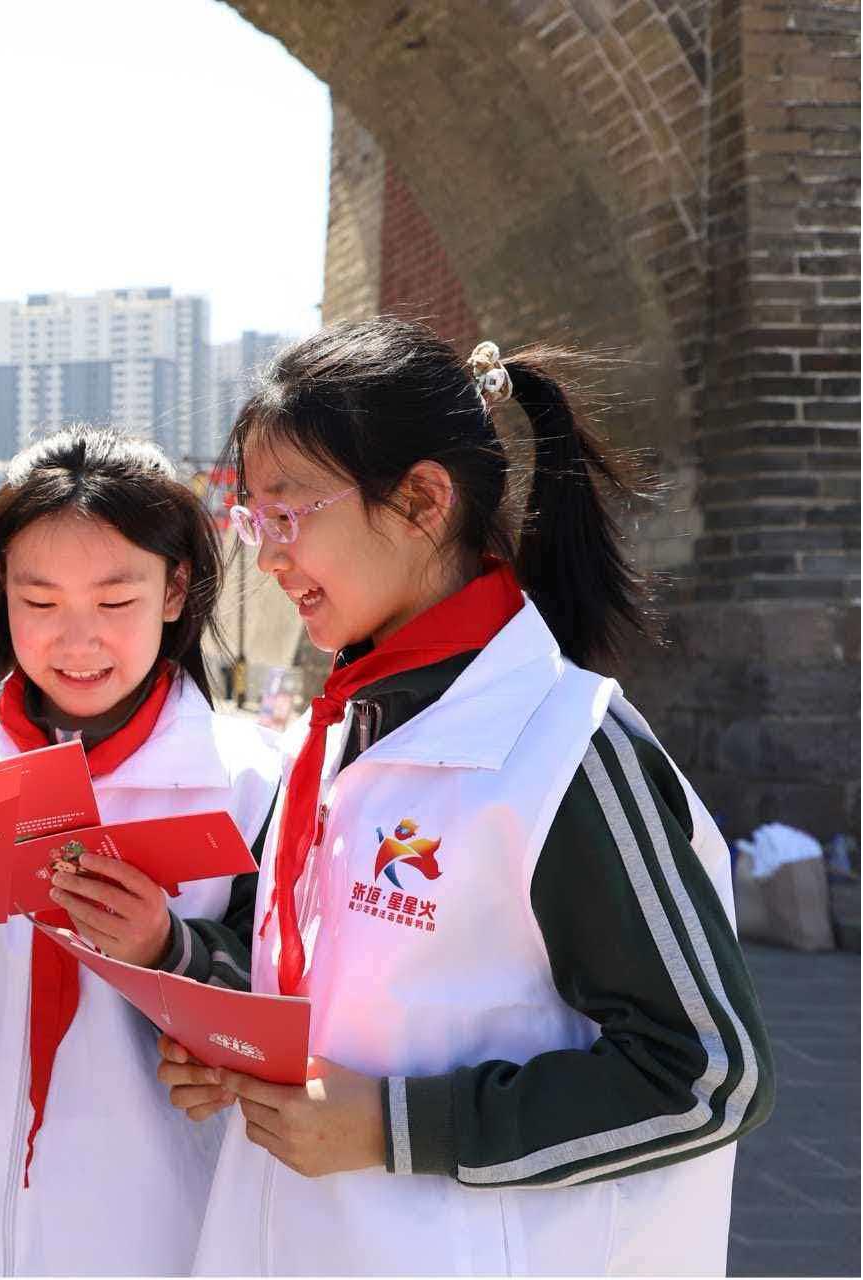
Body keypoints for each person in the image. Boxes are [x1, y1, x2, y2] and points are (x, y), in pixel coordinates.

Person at [163, 321, 775, 1275]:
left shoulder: (567, 751)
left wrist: (397, 1125)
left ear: (421, 500)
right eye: (254, 521)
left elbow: (709, 1074)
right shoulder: (344, 728)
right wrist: (240, 1045)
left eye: (289, 515)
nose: (270, 558)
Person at [0, 426, 283, 1275]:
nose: (77, 642)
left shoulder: (248, 781)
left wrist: (167, 949)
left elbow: (287, 1010)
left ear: (176, 588)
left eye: (114, 602)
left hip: (160, 1219)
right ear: (1, 591)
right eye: (40, 603)